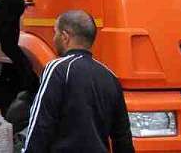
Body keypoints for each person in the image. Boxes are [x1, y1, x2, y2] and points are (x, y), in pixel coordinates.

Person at [22, 10, 133, 153]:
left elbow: (41, 124)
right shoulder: (109, 76)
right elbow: (122, 137)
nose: (54, 38)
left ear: (65, 37)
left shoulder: (57, 69)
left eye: (55, 32)